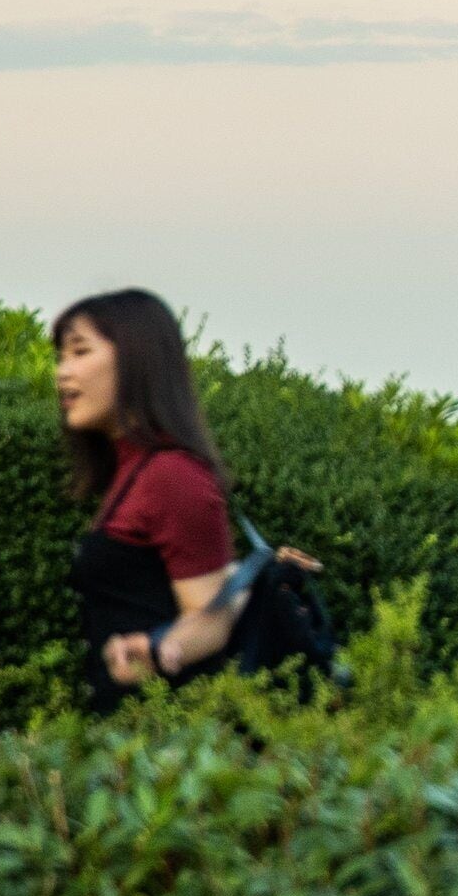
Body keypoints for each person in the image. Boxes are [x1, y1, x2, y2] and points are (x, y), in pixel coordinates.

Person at [50, 288, 315, 710]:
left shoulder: (171, 475)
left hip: (167, 742)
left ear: (137, 359)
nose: (64, 372)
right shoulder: (130, 471)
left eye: (80, 352)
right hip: (129, 737)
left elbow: (210, 618)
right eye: (62, 357)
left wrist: (157, 651)